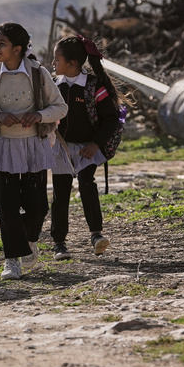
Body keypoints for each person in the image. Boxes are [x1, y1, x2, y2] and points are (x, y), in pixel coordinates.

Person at [0, 23, 67, 281]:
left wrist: (39, 115)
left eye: (1, 43)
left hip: (34, 146)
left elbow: (60, 108)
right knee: (6, 206)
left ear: (18, 48)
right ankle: (12, 260)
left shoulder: (38, 73)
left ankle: (29, 241)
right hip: (4, 149)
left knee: (37, 207)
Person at [49, 35, 123, 259]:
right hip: (60, 147)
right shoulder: (54, 86)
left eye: (56, 60)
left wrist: (95, 144)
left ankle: (96, 234)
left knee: (86, 183)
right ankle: (59, 243)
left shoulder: (94, 87)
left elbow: (111, 120)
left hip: (87, 148)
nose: (53, 64)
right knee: (60, 193)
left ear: (72, 63)